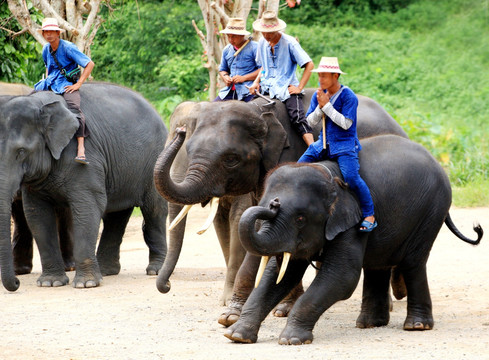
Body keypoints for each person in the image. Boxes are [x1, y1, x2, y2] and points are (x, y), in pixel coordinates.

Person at [298, 57, 377, 232]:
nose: (320, 80)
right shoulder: (319, 94)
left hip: (344, 144)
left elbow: (346, 124)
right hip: (323, 142)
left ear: (335, 76)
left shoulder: (348, 96)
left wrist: (327, 107)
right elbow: (310, 122)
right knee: (298, 167)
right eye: (319, 76)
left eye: (324, 76)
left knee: (351, 177)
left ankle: (369, 214)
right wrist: (320, 107)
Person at [248, 10, 314, 146]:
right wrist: (255, 82)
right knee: (250, 111)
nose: (266, 35)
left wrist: (299, 87)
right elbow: (263, 67)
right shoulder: (261, 42)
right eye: (263, 32)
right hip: (267, 87)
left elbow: (309, 64)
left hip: (286, 87)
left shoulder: (290, 43)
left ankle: (313, 148)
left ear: (277, 30)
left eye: (269, 33)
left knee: (297, 118)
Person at [34, 17, 94, 165]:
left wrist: (78, 84)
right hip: (51, 82)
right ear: (43, 34)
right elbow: (48, 66)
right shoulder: (45, 49)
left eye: (51, 31)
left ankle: (81, 148)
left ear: (57, 33)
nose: (48, 34)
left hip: (67, 83)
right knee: (31, 102)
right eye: (46, 32)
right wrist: (46, 83)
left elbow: (89, 64)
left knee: (74, 110)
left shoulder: (68, 47)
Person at [215, 18, 259, 102]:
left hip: (249, 90)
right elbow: (222, 70)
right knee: (211, 109)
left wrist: (244, 78)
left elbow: (263, 69)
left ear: (242, 35)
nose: (231, 40)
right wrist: (225, 77)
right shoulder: (227, 50)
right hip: (229, 91)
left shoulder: (255, 47)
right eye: (229, 36)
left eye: (234, 36)